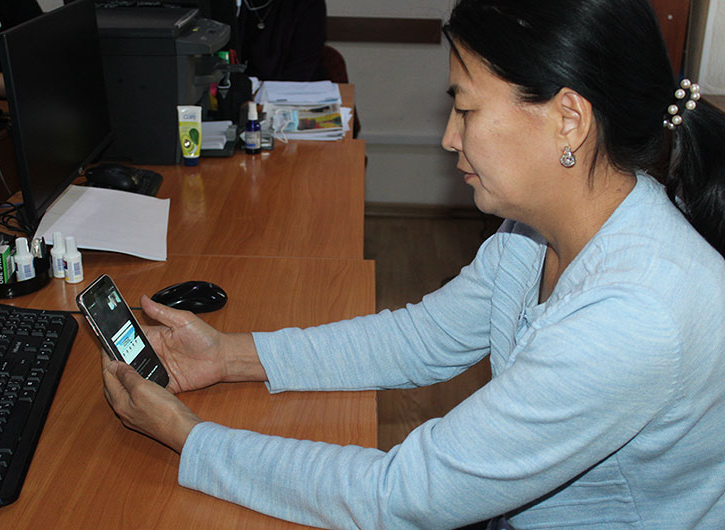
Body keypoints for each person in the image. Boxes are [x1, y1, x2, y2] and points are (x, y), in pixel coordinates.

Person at [101, 0, 725, 527]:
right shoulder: (539, 230)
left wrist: (190, 437)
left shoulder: (632, 316)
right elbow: (423, 338)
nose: (450, 137)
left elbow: (405, 497)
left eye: (467, 109)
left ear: (568, 120)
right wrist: (229, 356)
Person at [236, 0, 328, 81]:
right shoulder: (233, 5)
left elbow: (300, 71)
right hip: (236, 88)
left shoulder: (308, 3)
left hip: (291, 90)